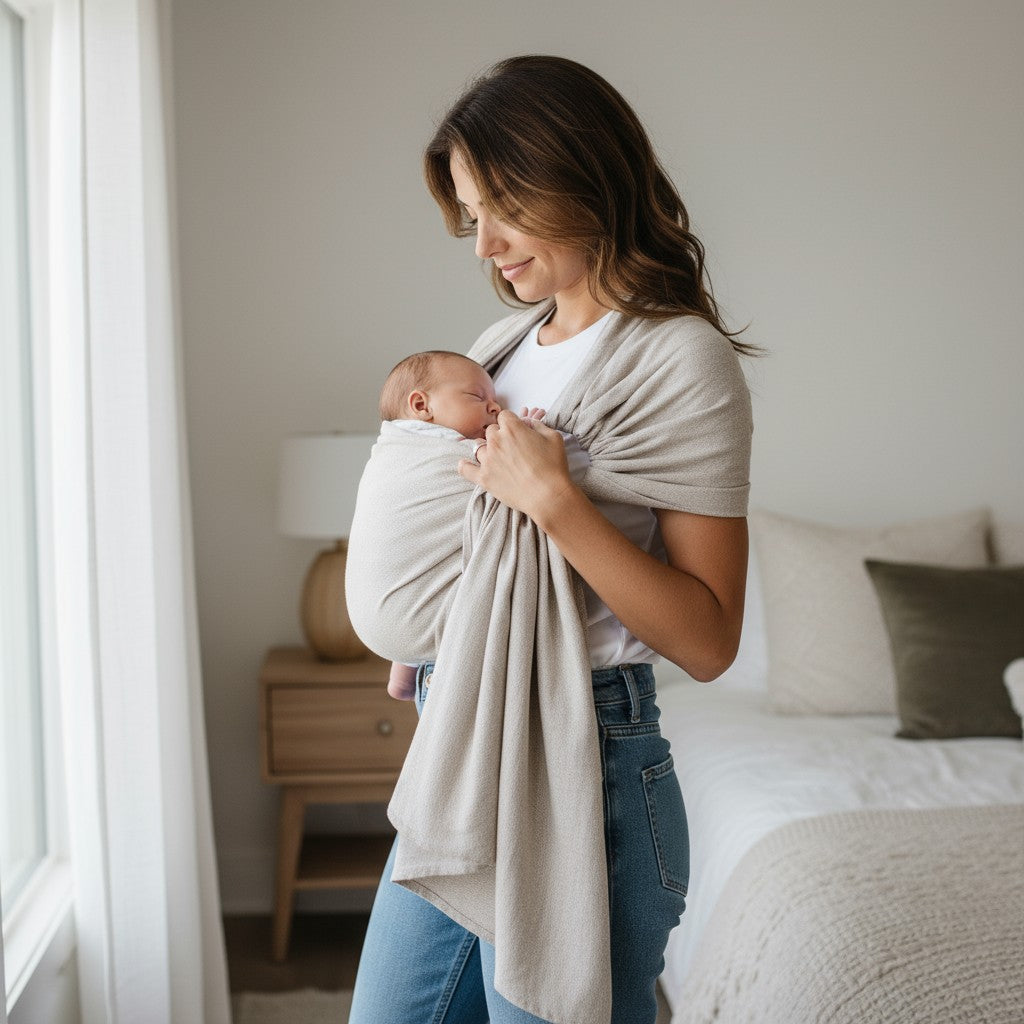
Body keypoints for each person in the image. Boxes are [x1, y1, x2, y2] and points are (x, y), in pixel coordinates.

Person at [349, 55, 754, 1024]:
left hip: (587, 763)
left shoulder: (677, 358)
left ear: (576, 174)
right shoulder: (496, 346)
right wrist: (435, 631)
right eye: (469, 214)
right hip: (464, 744)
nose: (483, 243)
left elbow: (707, 638)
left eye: (501, 206)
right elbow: (468, 524)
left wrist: (558, 503)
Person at [376, 348, 544, 701]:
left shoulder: (399, 443)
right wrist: (526, 432)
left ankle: (402, 674)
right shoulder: (441, 444)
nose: (495, 407)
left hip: (399, 611)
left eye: (495, 399)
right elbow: (506, 465)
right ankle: (405, 669)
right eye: (477, 397)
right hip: (424, 626)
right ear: (422, 406)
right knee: (443, 584)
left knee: (432, 571)